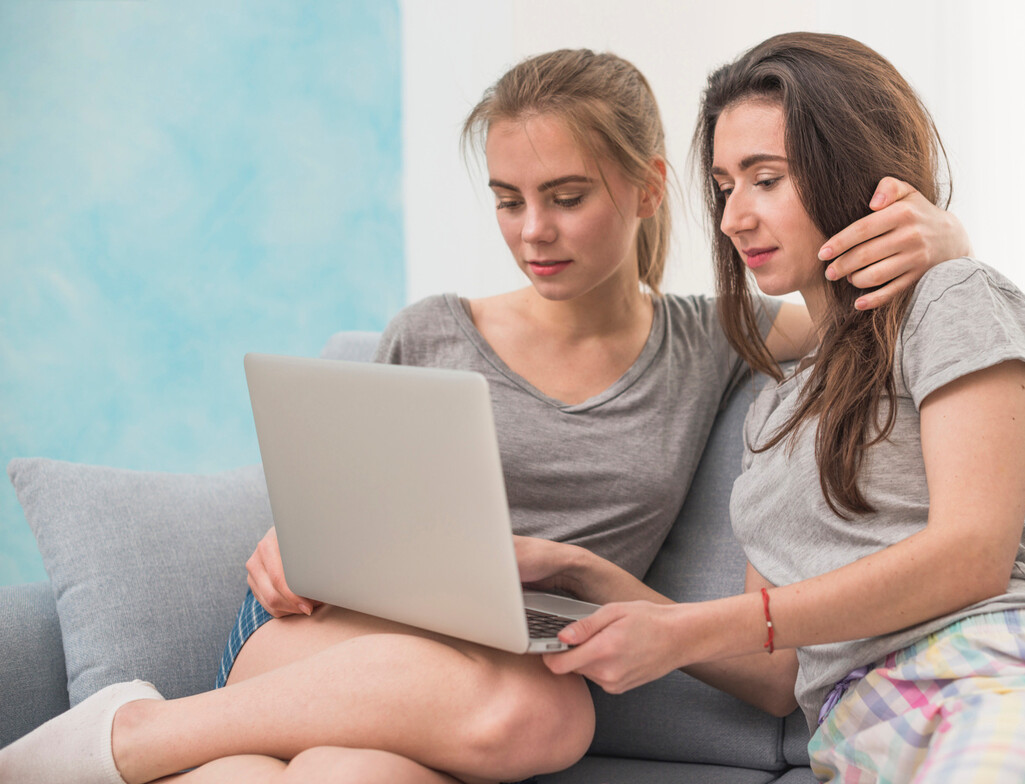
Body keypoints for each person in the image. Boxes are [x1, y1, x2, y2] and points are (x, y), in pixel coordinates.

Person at [0, 48, 972, 784]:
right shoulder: (430, 331)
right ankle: (127, 736)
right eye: (508, 201)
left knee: (358, 768)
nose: (531, 233)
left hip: (499, 670)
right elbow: (339, 512)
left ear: (643, 187)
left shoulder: (715, 336)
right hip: (333, 641)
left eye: (564, 197)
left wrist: (944, 242)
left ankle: (155, 745)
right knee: (543, 718)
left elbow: (852, 308)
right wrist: (286, 542)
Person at [524, 33, 1025, 782]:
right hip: (859, 735)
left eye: (765, 179)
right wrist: (586, 574)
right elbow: (776, 676)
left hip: (997, 676)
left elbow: (973, 556)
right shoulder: (773, 412)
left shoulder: (952, 297)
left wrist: (687, 628)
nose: (732, 219)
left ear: (847, 168)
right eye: (725, 186)